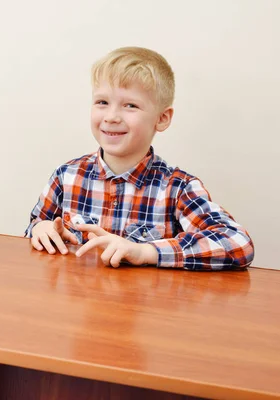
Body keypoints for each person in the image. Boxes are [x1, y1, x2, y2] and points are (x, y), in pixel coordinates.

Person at [26, 47, 254, 270]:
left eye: (130, 105)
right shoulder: (66, 176)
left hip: (144, 305)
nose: (112, 116)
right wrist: (41, 228)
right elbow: (34, 228)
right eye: (102, 102)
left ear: (162, 118)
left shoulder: (178, 188)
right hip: (80, 304)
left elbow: (238, 244)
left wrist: (146, 252)